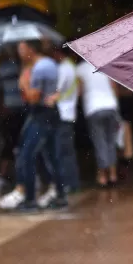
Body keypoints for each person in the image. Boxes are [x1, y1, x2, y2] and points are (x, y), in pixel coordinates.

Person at [6, 40, 67, 211]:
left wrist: (23, 82)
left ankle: (31, 200)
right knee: (52, 157)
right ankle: (61, 196)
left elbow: (33, 97)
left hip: (42, 115)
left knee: (27, 156)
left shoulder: (40, 68)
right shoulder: (46, 64)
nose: (19, 52)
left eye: (22, 49)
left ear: (31, 50)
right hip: (48, 114)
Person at [43, 46, 80, 199]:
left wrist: (48, 98)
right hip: (68, 113)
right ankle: (71, 183)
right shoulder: (71, 66)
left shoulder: (65, 68)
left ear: (58, 53)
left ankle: (69, 184)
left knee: (62, 152)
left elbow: (57, 90)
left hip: (64, 114)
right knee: (67, 151)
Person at [0, 50, 27, 194]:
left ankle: (7, 178)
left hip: (18, 109)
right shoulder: (10, 67)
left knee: (13, 144)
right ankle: (6, 178)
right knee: (14, 144)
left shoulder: (19, 66)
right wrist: (2, 106)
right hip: (14, 110)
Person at [77, 60, 119, 188]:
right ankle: (113, 174)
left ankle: (102, 176)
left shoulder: (79, 69)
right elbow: (113, 86)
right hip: (111, 106)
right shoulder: (104, 64)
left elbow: (80, 91)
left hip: (93, 108)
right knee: (110, 141)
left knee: (100, 142)